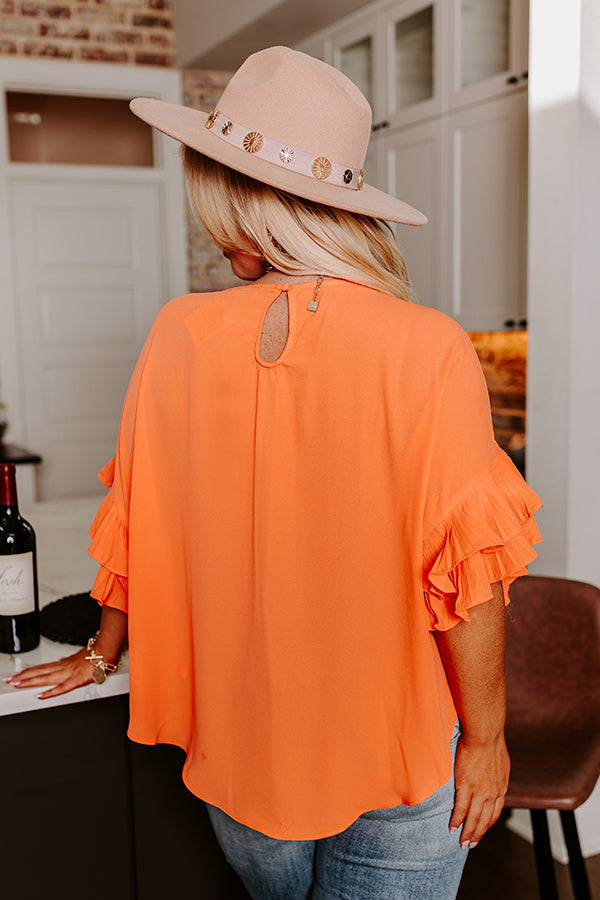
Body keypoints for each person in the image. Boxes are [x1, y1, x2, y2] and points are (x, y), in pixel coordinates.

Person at [7, 47, 542, 900]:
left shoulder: (177, 333)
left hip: (240, 742)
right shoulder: (428, 347)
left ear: (236, 194)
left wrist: (105, 654)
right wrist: (485, 739)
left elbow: (138, 519)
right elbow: (468, 578)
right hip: (394, 742)